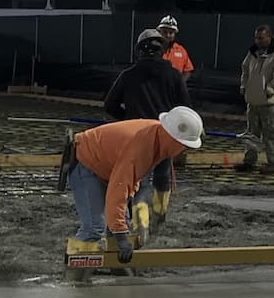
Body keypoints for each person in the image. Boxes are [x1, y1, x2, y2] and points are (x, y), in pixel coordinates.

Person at [64, 108, 205, 265]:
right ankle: (73, 273)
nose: (183, 150)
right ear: (173, 140)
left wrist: (119, 229)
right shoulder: (140, 147)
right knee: (94, 227)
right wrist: (120, 236)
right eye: (183, 146)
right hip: (85, 161)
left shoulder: (157, 136)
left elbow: (130, 179)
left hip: (106, 165)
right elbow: (118, 190)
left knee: (120, 223)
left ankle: (117, 267)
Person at [105, 29, 194, 237]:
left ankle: (140, 223)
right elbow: (186, 108)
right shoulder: (173, 75)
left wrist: (127, 120)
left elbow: (109, 105)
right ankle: (160, 215)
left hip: (136, 136)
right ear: (161, 50)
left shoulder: (128, 75)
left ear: (139, 51)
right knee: (162, 177)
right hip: (165, 135)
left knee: (139, 182)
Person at [235, 24, 274, 173]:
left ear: (269, 37)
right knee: (251, 133)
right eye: (256, 38)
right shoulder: (253, 52)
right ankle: (249, 161)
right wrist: (244, 86)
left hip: (270, 102)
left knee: (273, 133)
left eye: (261, 38)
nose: (257, 41)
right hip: (253, 102)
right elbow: (245, 69)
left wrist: (270, 89)